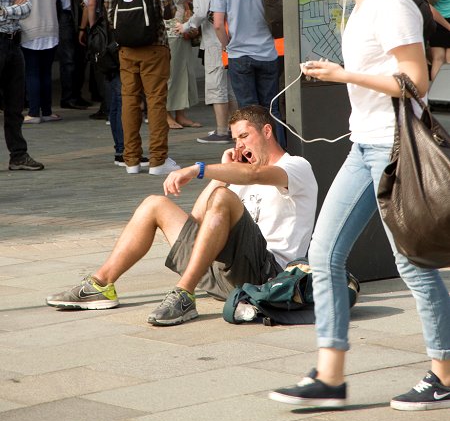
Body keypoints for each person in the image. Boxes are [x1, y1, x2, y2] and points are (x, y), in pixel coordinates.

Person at [269, 0, 450, 412]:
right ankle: (330, 375)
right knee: (323, 254)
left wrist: (343, 74)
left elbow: (415, 81)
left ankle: (444, 372)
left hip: (394, 149)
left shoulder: (390, 3)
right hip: (364, 144)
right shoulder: (365, 5)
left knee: (412, 264)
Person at [46, 105, 318, 326]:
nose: (239, 145)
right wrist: (220, 176)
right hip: (224, 274)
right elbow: (198, 219)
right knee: (155, 203)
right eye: (235, 138)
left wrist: (198, 169)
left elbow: (255, 175)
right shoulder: (237, 173)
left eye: (244, 136)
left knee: (223, 199)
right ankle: (100, 285)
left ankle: (184, 293)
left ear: (267, 131)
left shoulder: (296, 167)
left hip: (267, 275)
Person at [104, 0, 179, 175]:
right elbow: (169, 11)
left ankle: (132, 160)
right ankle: (158, 160)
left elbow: (108, 7)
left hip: (126, 47)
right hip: (154, 44)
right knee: (156, 101)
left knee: (129, 100)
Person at [210, 0, 280, 114]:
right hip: (267, 52)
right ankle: (277, 142)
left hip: (239, 54)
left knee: (249, 112)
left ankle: (253, 144)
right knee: (271, 109)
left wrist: (227, 45)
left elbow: (217, 24)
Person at [177, 0, 237, 144]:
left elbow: (201, 11)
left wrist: (185, 26)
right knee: (229, 86)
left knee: (216, 85)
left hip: (213, 38)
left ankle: (222, 130)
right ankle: (233, 127)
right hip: (230, 36)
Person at [0, 0, 44, 170]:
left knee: (15, 104)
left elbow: (26, 8)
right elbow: (16, 7)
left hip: (14, 43)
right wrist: (12, 8)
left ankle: (18, 155)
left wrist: (6, 11)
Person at [87, 0, 126, 163]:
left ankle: (119, 147)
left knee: (113, 92)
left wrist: (94, 31)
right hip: (123, 35)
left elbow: (91, 4)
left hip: (104, 36)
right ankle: (123, 149)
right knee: (123, 94)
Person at [156, 0, 200, 130]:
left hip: (182, 26)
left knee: (185, 71)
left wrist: (190, 17)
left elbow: (187, 2)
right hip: (167, 29)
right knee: (170, 73)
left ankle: (181, 114)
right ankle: (166, 114)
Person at [18, 0, 60, 123]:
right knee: (45, 73)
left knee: (32, 73)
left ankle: (34, 113)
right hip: (50, 32)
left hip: (30, 33)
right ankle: (48, 111)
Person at [50, 0, 89, 110]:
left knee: (80, 58)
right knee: (68, 58)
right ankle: (67, 97)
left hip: (79, 16)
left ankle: (77, 95)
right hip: (65, 17)